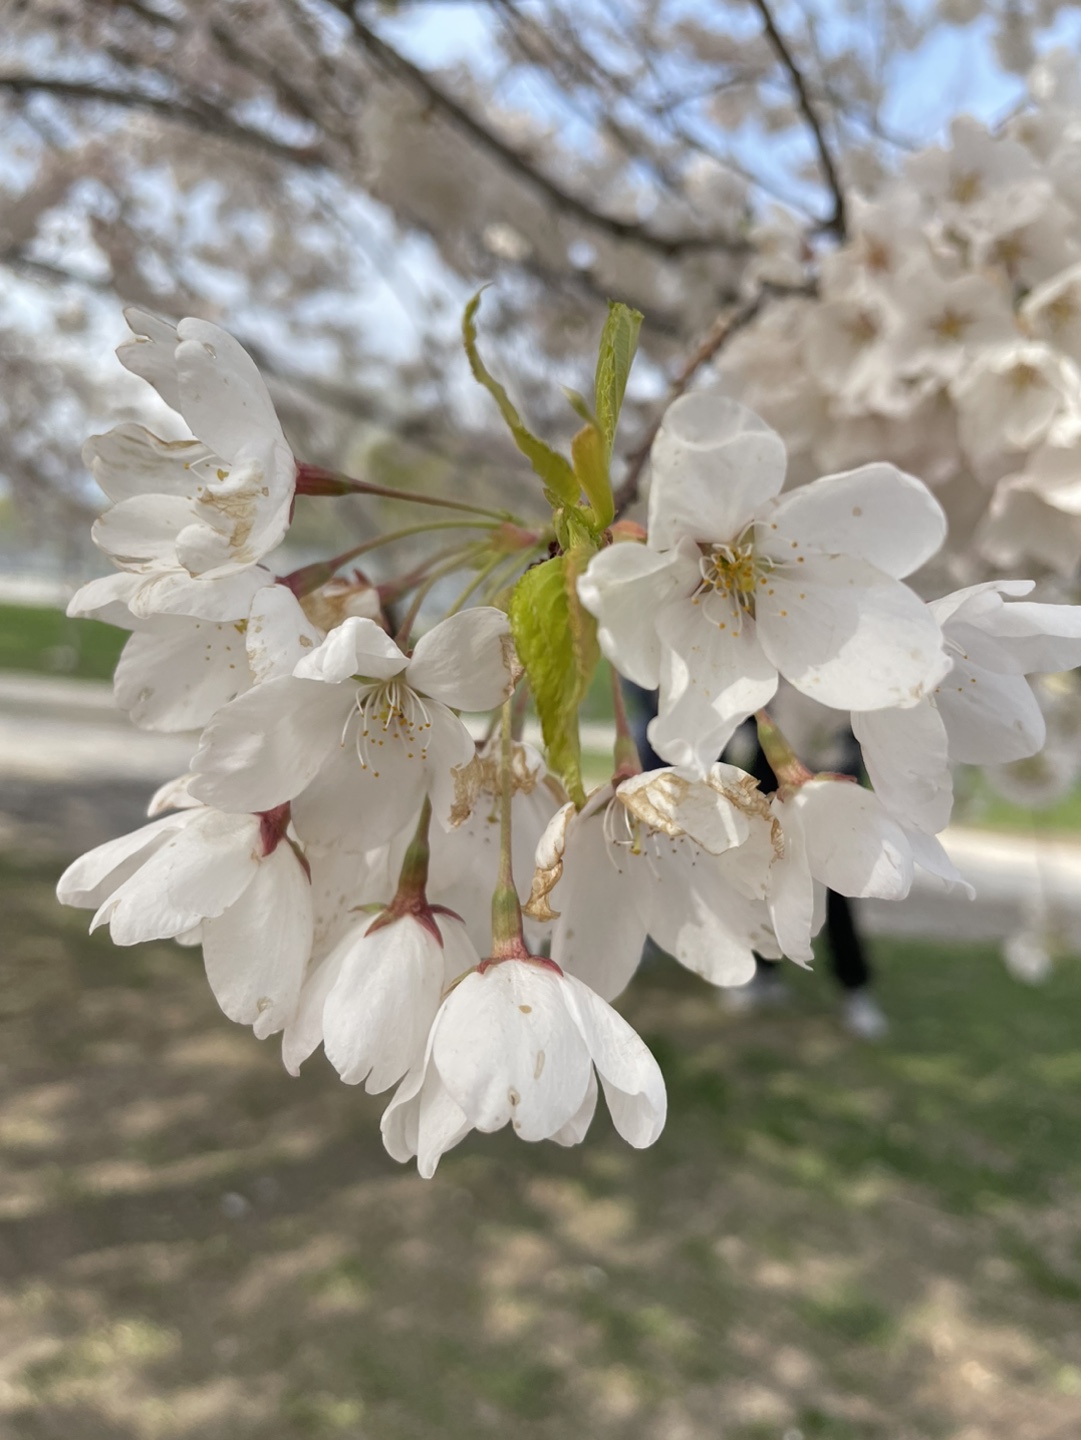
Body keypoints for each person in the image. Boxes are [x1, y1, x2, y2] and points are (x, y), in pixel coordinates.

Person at [622, 683, 889, 1040]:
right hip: (774, 774)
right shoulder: (774, 679)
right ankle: (764, 972)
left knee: (837, 889)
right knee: (763, 879)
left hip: (831, 773)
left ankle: (855, 988)